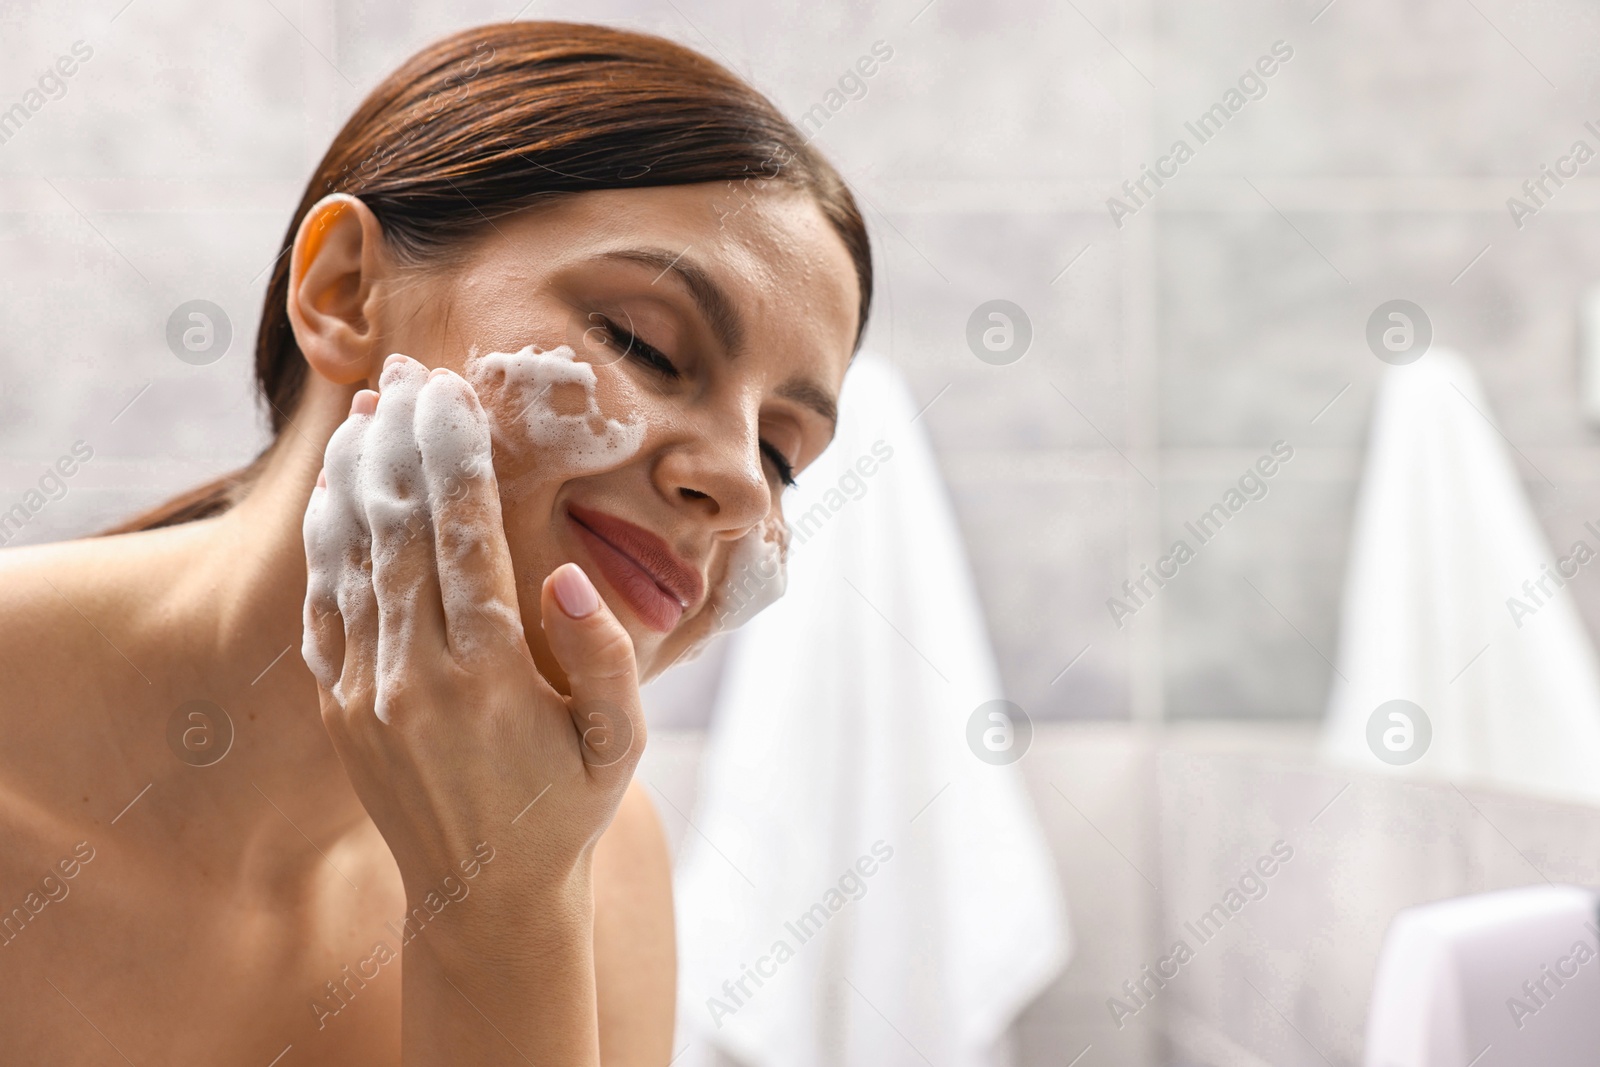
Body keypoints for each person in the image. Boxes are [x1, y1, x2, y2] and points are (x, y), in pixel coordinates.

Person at [0, 20, 871, 1065]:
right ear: (344, 292)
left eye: (782, 453)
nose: (735, 484)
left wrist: (507, 905)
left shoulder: (598, 860)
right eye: (643, 339)